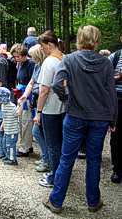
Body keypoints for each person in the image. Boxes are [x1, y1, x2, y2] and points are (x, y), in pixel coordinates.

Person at [43, 25, 118, 213]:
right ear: (97, 41)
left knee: (66, 159)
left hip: (75, 115)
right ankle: (93, 202)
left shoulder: (69, 60)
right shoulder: (106, 63)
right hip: (99, 118)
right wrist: (113, 119)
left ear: (79, 39)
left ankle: (56, 201)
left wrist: (68, 98)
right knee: (94, 159)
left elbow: (56, 84)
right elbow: (111, 94)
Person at [34, 30, 65, 188]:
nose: (41, 49)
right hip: (64, 109)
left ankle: (54, 177)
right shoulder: (65, 59)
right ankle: (62, 173)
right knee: (61, 143)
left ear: (50, 44)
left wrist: (38, 112)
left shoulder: (49, 62)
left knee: (53, 145)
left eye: (42, 46)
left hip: (50, 110)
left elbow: (44, 90)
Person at [17, 44, 49, 172]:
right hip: (35, 100)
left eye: (33, 56)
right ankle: (46, 157)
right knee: (37, 131)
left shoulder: (45, 66)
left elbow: (44, 89)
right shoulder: (37, 66)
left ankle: (47, 160)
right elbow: (31, 82)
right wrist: (24, 96)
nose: (31, 58)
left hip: (44, 103)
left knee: (38, 131)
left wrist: (38, 110)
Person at [10, 43, 35, 157]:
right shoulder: (19, 64)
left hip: (27, 96)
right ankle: (26, 145)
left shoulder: (31, 64)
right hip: (20, 94)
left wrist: (29, 98)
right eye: (15, 57)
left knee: (26, 121)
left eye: (18, 56)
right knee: (21, 121)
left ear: (24, 55)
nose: (16, 59)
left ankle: (25, 147)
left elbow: (33, 83)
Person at [108, 34, 122, 183]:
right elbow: (104, 79)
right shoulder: (114, 57)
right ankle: (117, 169)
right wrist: (117, 78)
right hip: (117, 101)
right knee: (116, 136)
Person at [0, 87, 22, 165]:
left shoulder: (12, 106)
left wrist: (20, 105)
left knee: (11, 145)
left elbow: (18, 114)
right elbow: (5, 116)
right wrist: (2, 125)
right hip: (7, 130)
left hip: (12, 131)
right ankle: (8, 156)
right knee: (6, 144)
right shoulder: (3, 105)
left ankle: (13, 159)